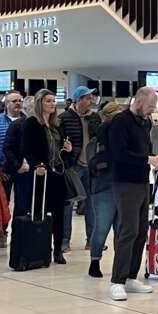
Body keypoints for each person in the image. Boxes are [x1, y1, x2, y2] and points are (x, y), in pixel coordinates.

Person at [106, 87, 158, 301]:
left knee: (141, 230)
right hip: (124, 182)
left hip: (142, 181)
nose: (152, 111)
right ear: (139, 101)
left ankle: (131, 276)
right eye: (150, 106)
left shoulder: (144, 122)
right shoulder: (120, 122)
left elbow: (143, 151)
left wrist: (154, 158)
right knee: (128, 230)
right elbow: (118, 153)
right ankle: (117, 280)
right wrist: (149, 160)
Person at [22, 89, 72, 266]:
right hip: (40, 174)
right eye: (48, 101)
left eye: (53, 101)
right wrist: (37, 165)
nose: (52, 104)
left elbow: (60, 151)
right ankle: (40, 247)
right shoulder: (31, 123)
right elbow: (27, 148)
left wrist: (67, 150)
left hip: (56, 173)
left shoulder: (57, 124)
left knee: (59, 213)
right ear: (40, 103)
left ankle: (58, 249)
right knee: (39, 211)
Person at [60, 86, 101, 253]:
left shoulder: (95, 118)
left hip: (91, 166)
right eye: (87, 98)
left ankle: (92, 241)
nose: (91, 101)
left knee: (92, 204)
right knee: (68, 204)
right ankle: (64, 241)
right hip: (73, 166)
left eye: (91, 98)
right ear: (78, 100)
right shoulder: (64, 118)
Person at [86, 101, 124, 279]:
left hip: (108, 186)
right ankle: (96, 261)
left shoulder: (100, 139)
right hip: (107, 187)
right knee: (106, 227)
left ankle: (102, 262)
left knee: (110, 227)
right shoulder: (102, 139)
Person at [0, 90, 25, 248]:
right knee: (3, 202)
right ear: (6, 104)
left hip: (23, 168)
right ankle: (2, 233)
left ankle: (20, 232)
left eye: (19, 100)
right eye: (13, 101)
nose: (17, 103)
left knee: (22, 201)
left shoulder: (27, 121)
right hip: (4, 168)